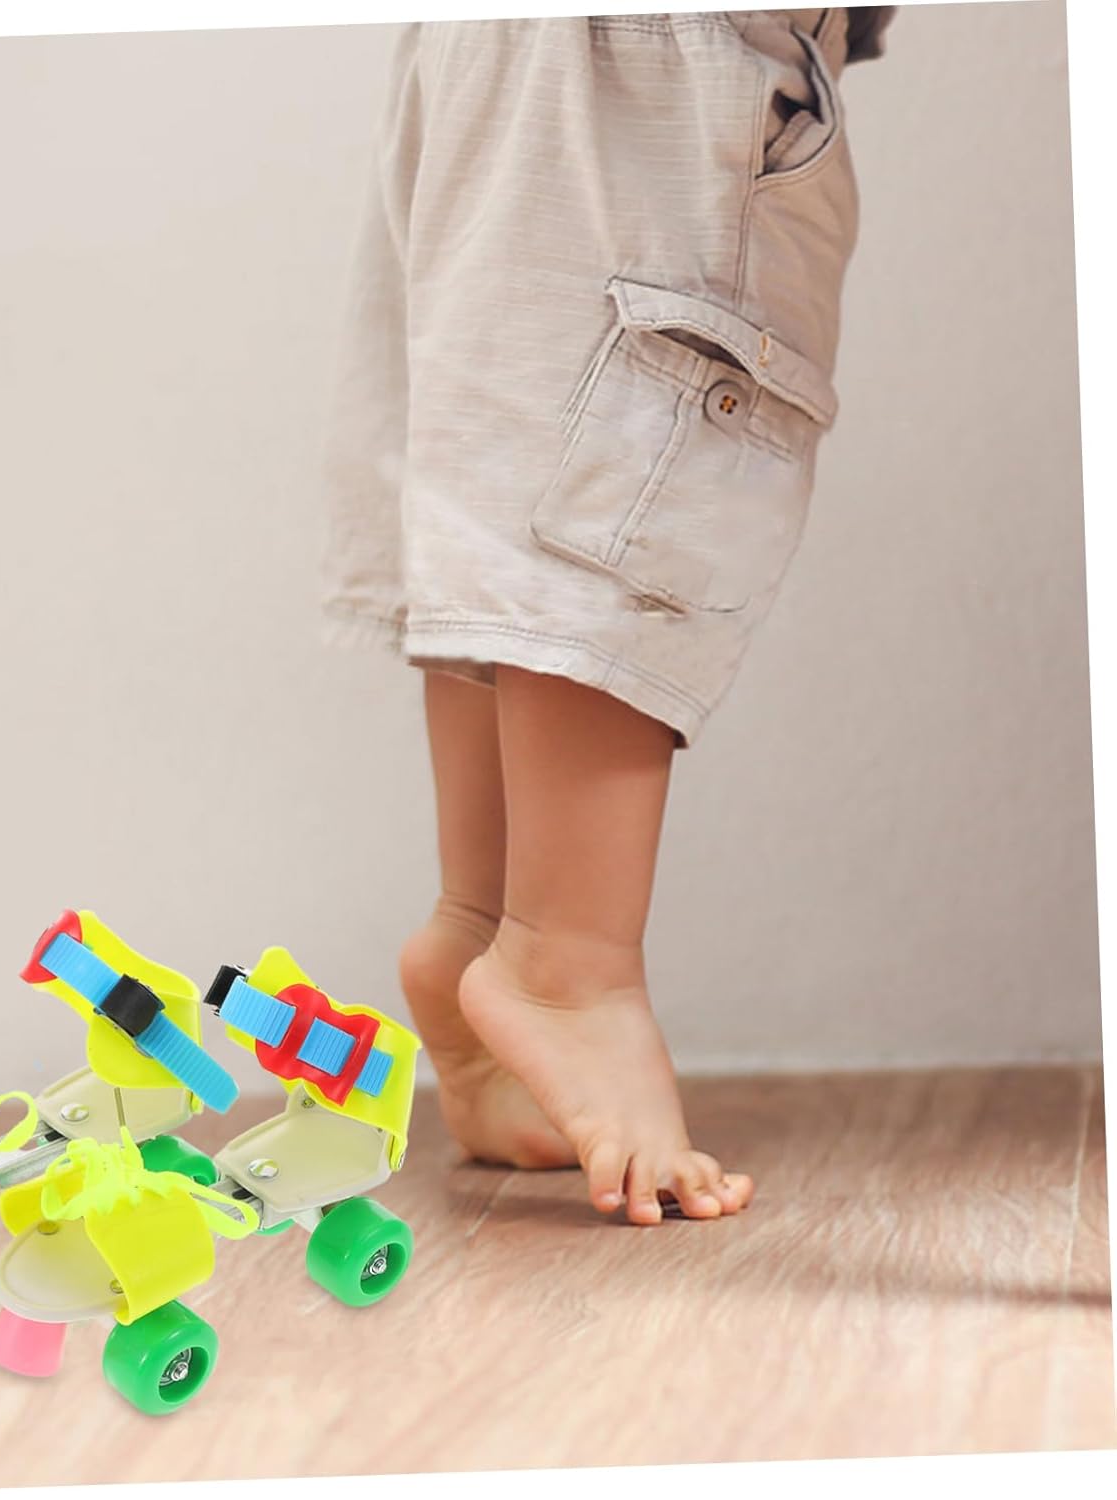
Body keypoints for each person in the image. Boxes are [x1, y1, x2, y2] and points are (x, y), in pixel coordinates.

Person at [318, 8, 894, 1220]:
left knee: (512, 438)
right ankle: (564, 968)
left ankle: (484, 925)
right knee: (626, 431)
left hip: (493, 50)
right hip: (656, 43)